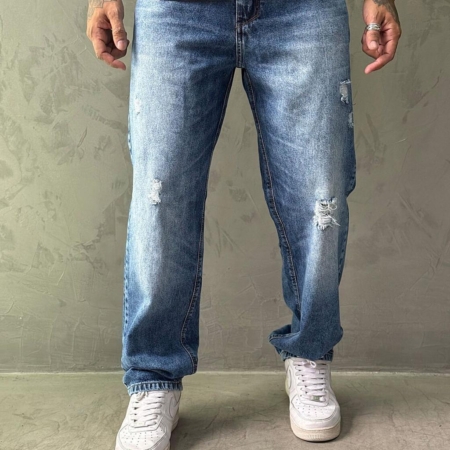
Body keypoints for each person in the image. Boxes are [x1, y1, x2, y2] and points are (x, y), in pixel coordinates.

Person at [86, 0, 401, 448]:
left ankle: (309, 352)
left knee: (319, 195)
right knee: (160, 195)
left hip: (304, 10)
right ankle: (153, 377)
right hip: (176, 11)